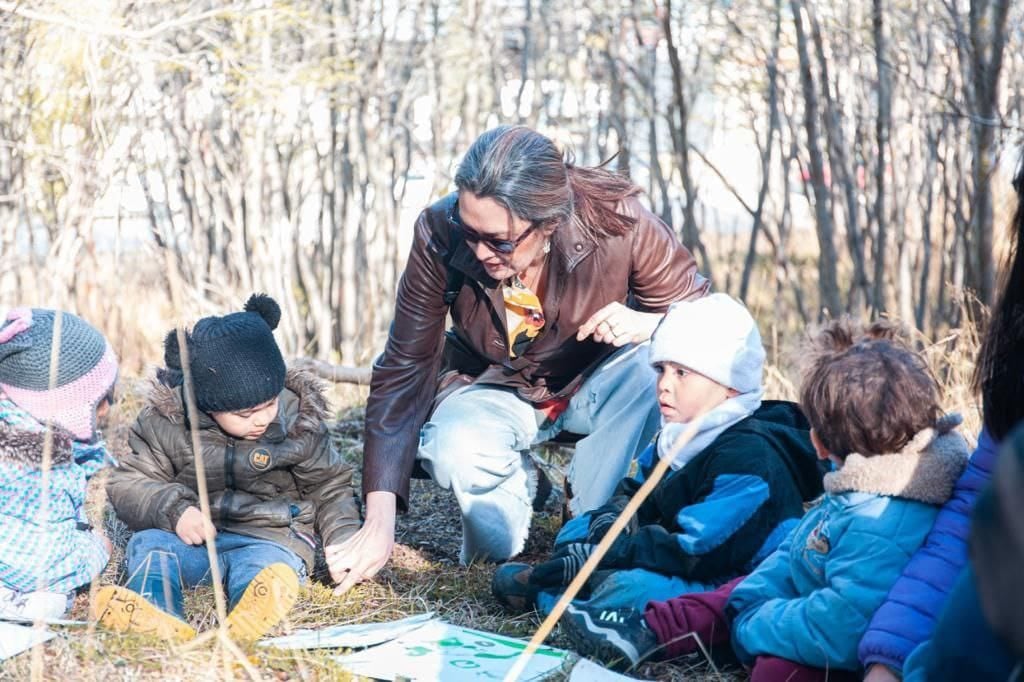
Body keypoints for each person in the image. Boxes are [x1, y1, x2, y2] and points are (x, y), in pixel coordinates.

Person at [333, 124, 709, 581]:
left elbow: (710, 326)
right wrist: (379, 521)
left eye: (501, 241)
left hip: (602, 384)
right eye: (469, 232)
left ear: (549, 221)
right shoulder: (437, 230)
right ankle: (524, 493)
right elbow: (405, 367)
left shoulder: (620, 221)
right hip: (494, 385)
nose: (481, 251)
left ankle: (588, 520)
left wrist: (648, 322)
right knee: (488, 537)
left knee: (654, 360)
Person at [565, 319, 968, 679]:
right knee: (729, 596)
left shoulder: (880, 520)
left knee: (774, 668)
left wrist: (754, 620)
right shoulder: (861, 481)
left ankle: (681, 632)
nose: (664, 384)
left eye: (681, 372)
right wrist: (751, 597)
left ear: (820, 442)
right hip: (794, 594)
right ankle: (645, 631)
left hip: (835, 639)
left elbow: (842, 626)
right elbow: (795, 557)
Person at [491, 294, 825, 653]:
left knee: (634, 589)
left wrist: (610, 551)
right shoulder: (680, 433)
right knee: (578, 529)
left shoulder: (751, 458)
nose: (664, 384)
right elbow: (639, 490)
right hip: (673, 551)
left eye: (682, 372)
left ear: (730, 385)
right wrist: (611, 520)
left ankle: (564, 603)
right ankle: (572, 589)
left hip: (734, 574)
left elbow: (699, 549)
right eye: (661, 370)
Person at [96, 295, 360, 643]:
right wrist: (173, 510)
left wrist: (344, 540)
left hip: (272, 538)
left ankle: (250, 619)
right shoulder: (167, 422)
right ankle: (154, 614)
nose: (261, 419)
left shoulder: (299, 419)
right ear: (209, 403)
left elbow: (330, 487)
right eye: (244, 414)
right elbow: (129, 481)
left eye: (268, 404)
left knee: (266, 570)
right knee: (149, 546)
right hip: (191, 541)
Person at [0, 307, 118, 620]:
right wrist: (94, 551)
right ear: (64, 408)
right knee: (48, 599)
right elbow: (40, 565)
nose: (108, 408)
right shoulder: (38, 472)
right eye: (101, 398)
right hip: (17, 578)